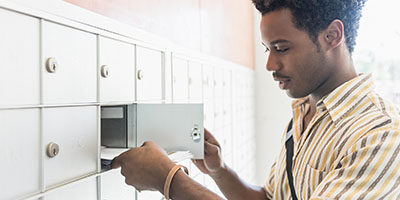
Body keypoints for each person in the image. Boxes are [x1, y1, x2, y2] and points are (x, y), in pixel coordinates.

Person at [112, 0, 400, 199]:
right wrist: (219, 170)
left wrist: (169, 180)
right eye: (267, 50)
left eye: (282, 48)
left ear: (332, 36)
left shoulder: (380, 136)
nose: (270, 64)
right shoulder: (305, 113)